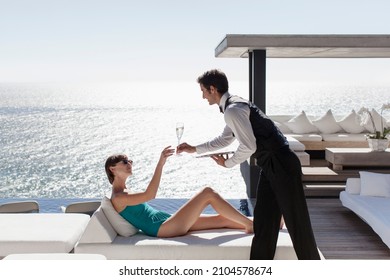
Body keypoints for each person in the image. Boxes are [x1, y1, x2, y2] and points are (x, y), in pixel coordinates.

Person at [177, 69, 320, 260]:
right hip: (270, 166)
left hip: (281, 165)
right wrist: (194, 148)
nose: (203, 96)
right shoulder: (233, 106)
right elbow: (225, 139)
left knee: (297, 224)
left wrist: (228, 163)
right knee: (264, 223)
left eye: (203, 90)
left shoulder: (233, 110)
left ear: (213, 89)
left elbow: (249, 146)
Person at [105, 146, 253, 238]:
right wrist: (161, 163)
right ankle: (249, 224)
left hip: (168, 221)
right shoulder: (118, 198)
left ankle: (272, 223)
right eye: (125, 162)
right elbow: (150, 195)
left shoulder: (125, 191)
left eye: (130, 161)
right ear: (112, 169)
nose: (129, 163)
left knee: (222, 219)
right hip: (164, 228)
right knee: (208, 193)